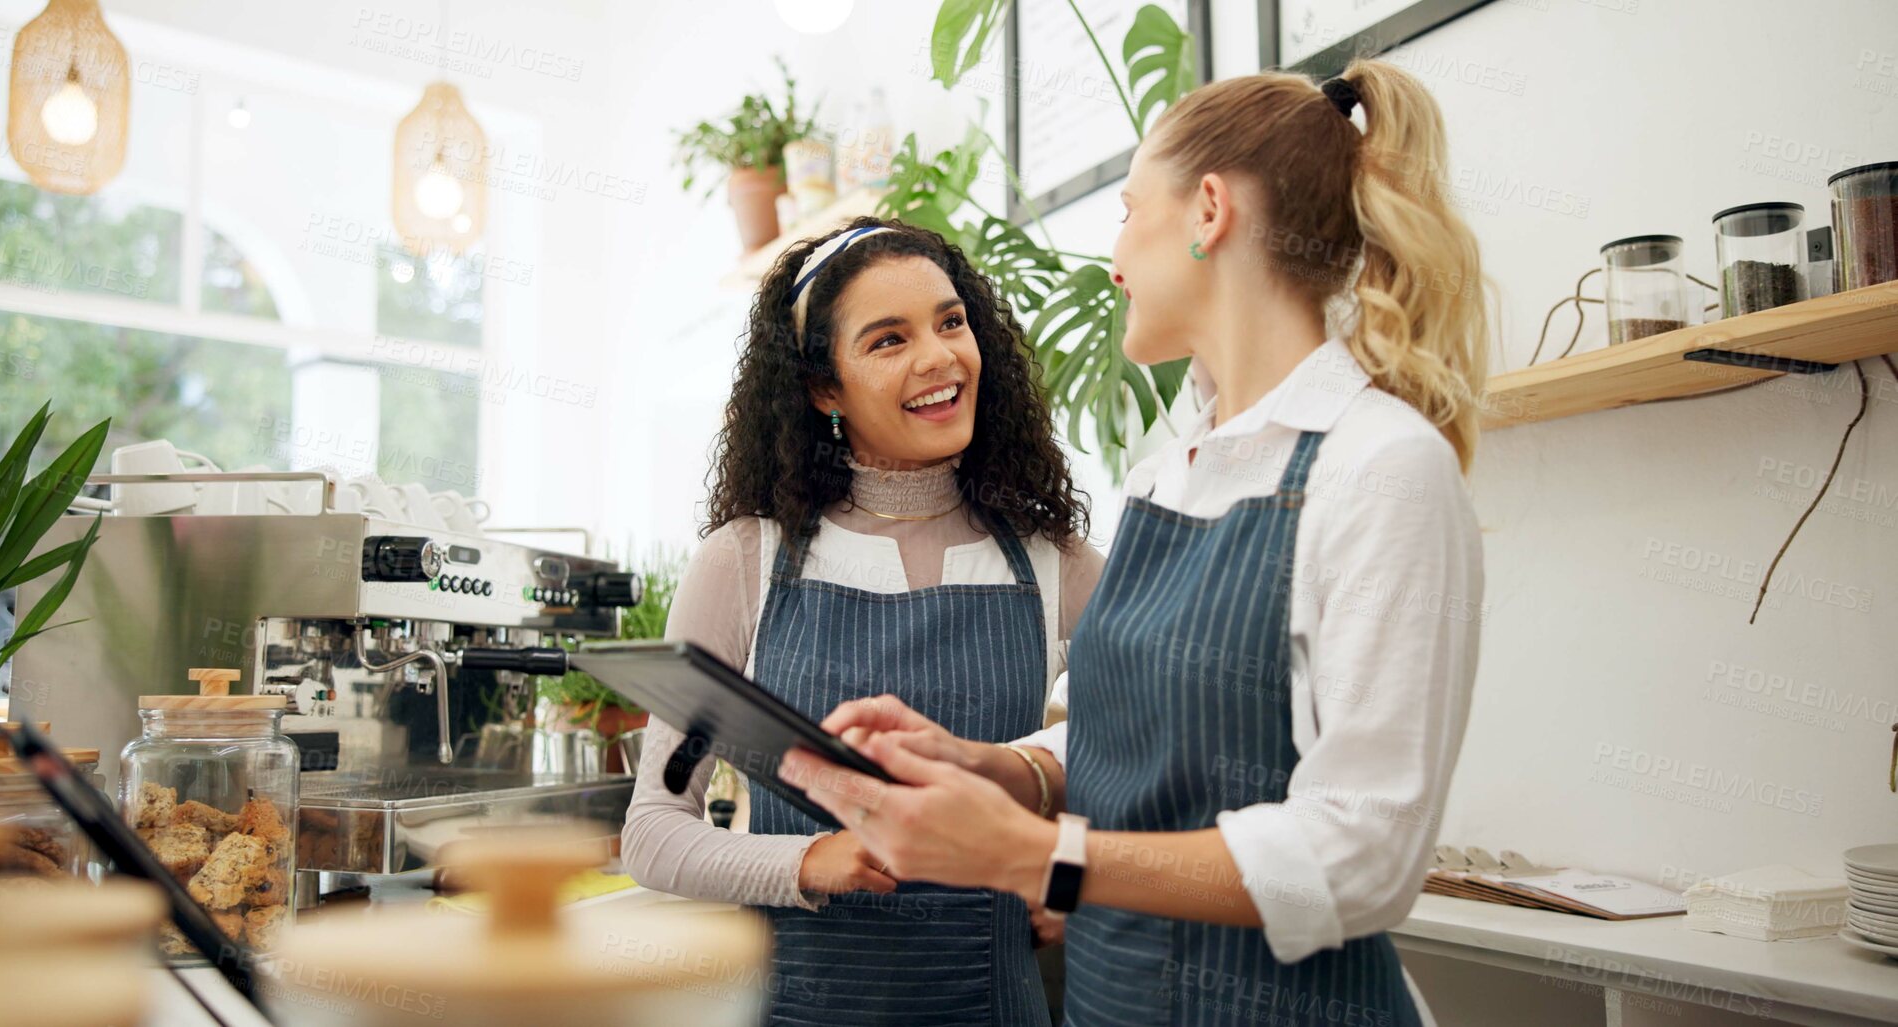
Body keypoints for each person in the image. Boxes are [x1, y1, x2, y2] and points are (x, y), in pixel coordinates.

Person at [784, 59, 1489, 1027]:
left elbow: (1365, 857)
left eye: (1125, 209)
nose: (1113, 257)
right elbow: (1140, 732)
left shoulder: (1380, 467)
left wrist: (1034, 855)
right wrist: (998, 765)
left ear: (1208, 211)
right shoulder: (1170, 470)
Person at [622, 217, 1106, 1025]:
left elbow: (1143, 772)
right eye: (888, 340)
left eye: (951, 322)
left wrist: (1070, 881)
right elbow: (656, 828)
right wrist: (813, 858)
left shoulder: (1058, 562)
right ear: (823, 389)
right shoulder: (746, 562)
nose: (938, 357)